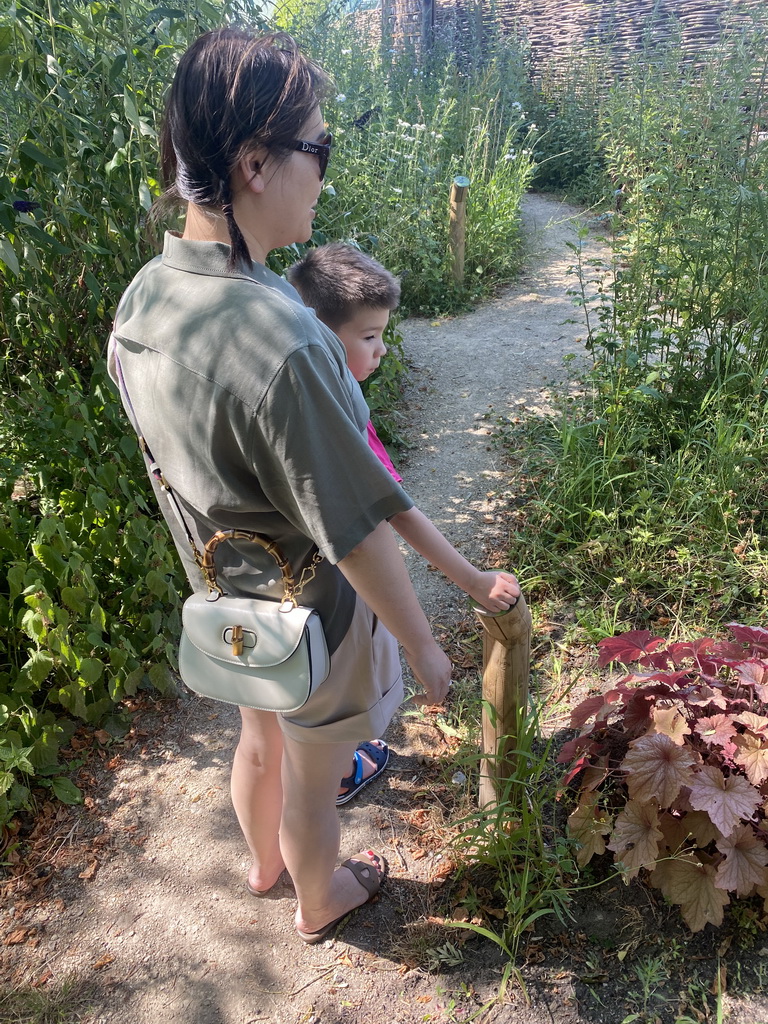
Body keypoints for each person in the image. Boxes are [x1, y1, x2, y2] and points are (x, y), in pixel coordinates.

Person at [107, 26, 468, 946]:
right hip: (311, 615)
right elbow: (355, 528)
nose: (325, 172)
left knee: (254, 740)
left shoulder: (144, 299)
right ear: (255, 163)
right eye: (320, 147)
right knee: (314, 778)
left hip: (228, 602)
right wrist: (423, 645)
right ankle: (321, 896)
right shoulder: (288, 340)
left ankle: (260, 864)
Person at [287, 243, 521, 613]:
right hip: (346, 596)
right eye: (368, 337)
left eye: (381, 335)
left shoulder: (299, 399)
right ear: (322, 335)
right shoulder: (346, 419)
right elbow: (396, 510)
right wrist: (474, 580)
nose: (381, 350)